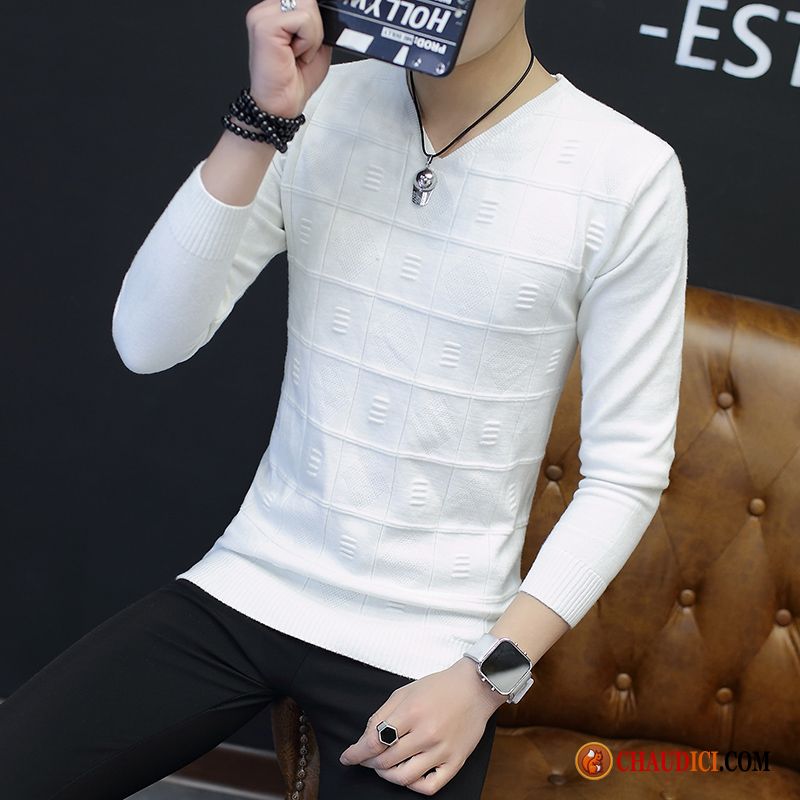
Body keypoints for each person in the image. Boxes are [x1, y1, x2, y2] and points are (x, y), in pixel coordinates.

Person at [0, 0, 689, 797]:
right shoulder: (322, 107)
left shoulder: (626, 171)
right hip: (251, 584)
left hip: (435, 649)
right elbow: (147, 340)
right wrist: (261, 120)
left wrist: (487, 677)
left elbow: (626, 476)